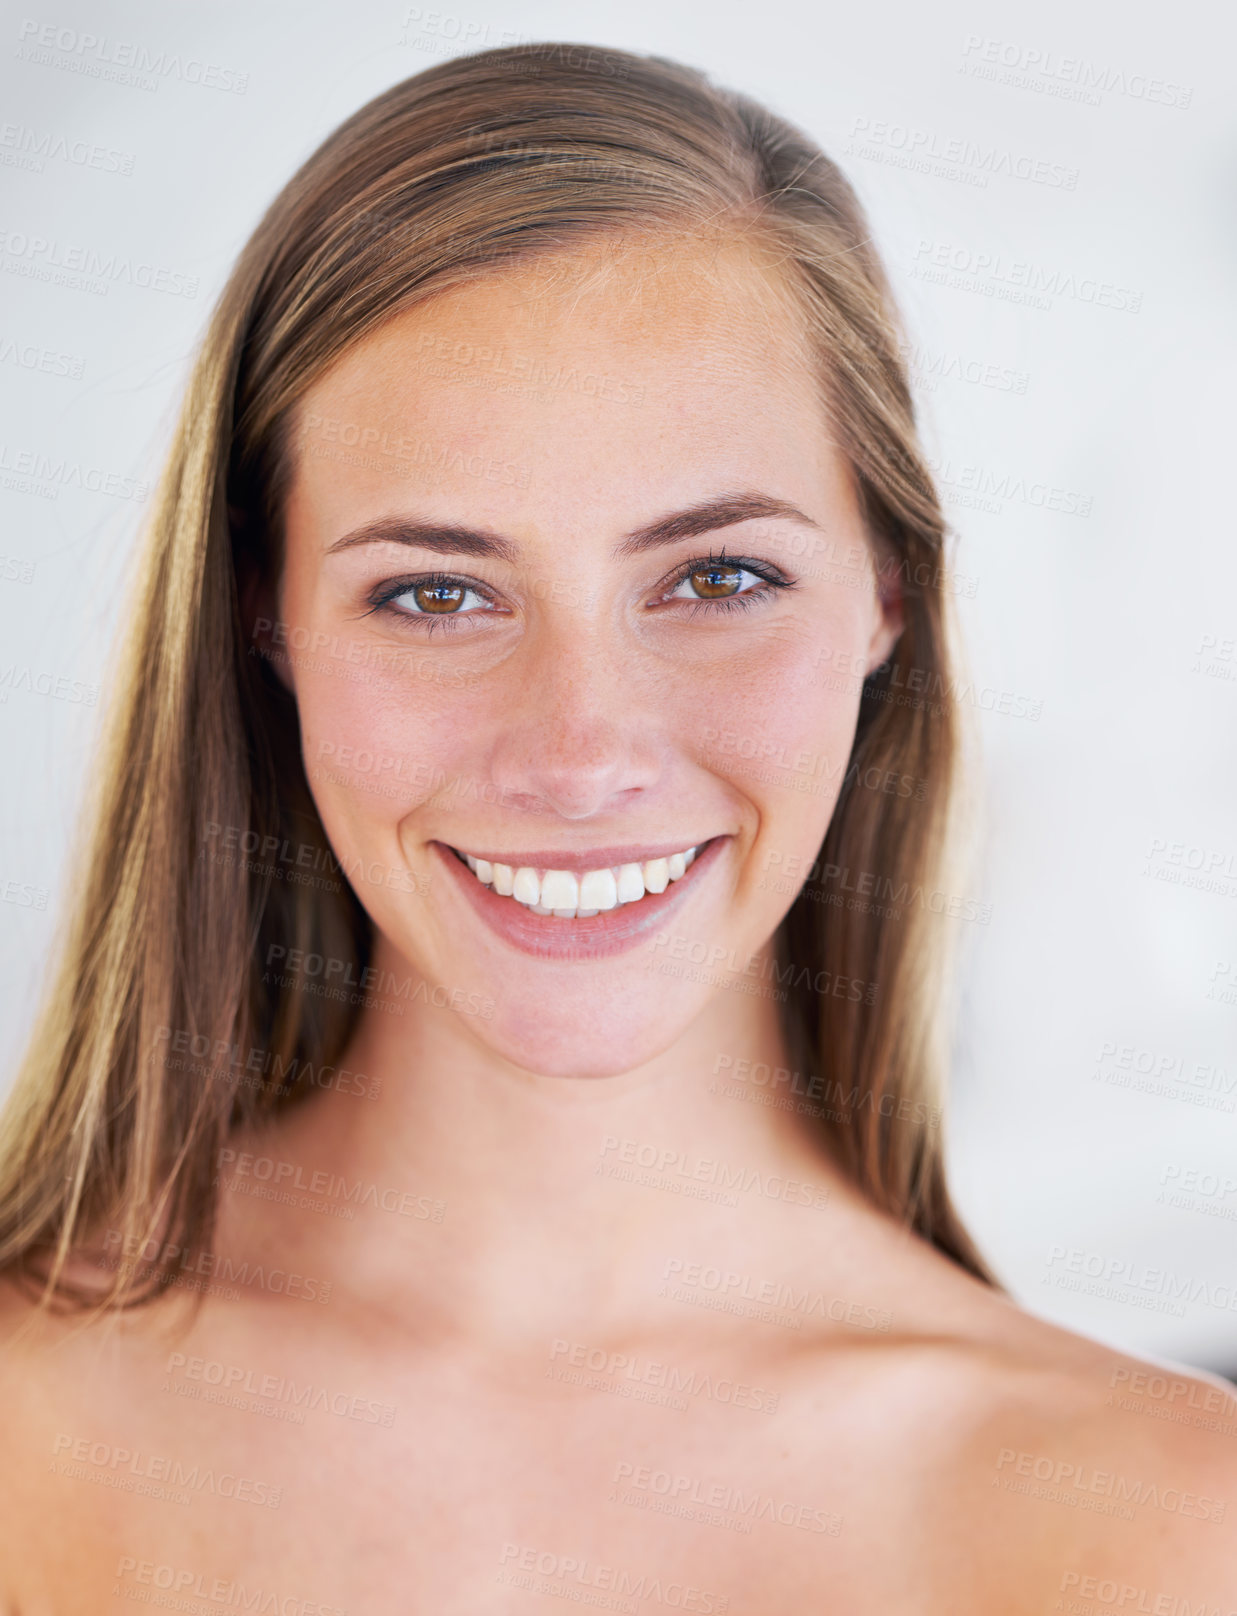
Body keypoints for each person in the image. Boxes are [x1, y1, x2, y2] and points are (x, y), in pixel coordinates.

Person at [0, 42, 1231, 1611]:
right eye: (434, 593)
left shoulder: (1163, 1525)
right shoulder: (30, 1421)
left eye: (716, 579)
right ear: (264, 617)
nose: (578, 754)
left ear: (885, 596)